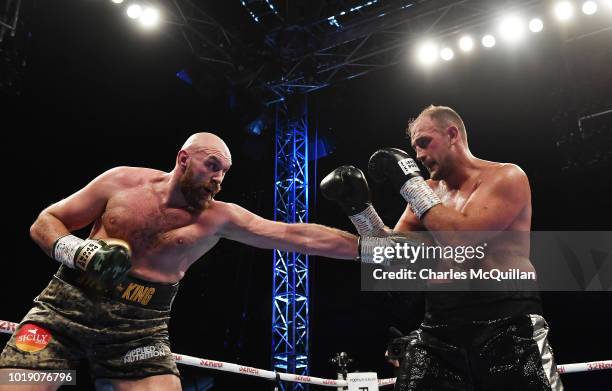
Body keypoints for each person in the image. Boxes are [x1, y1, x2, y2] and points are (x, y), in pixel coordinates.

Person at [0, 132, 359, 391]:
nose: (218, 179)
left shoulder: (219, 218)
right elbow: (46, 221)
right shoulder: (122, 181)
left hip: (137, 333)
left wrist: (372, 249)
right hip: (61, 314)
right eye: (212, 166)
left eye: (224, 172)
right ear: (183, 159)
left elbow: (298, 236)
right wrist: (78, 251)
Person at [321, 105, 563, 390]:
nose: (419, 156)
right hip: (439, 327)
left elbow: (462, 239)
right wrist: (359, 210)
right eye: (414, 148)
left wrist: (411, 184)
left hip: (507, 321)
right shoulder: (426, 192)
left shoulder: (506, 177)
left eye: (424, 142)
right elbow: (393, 255)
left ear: (452, 134)